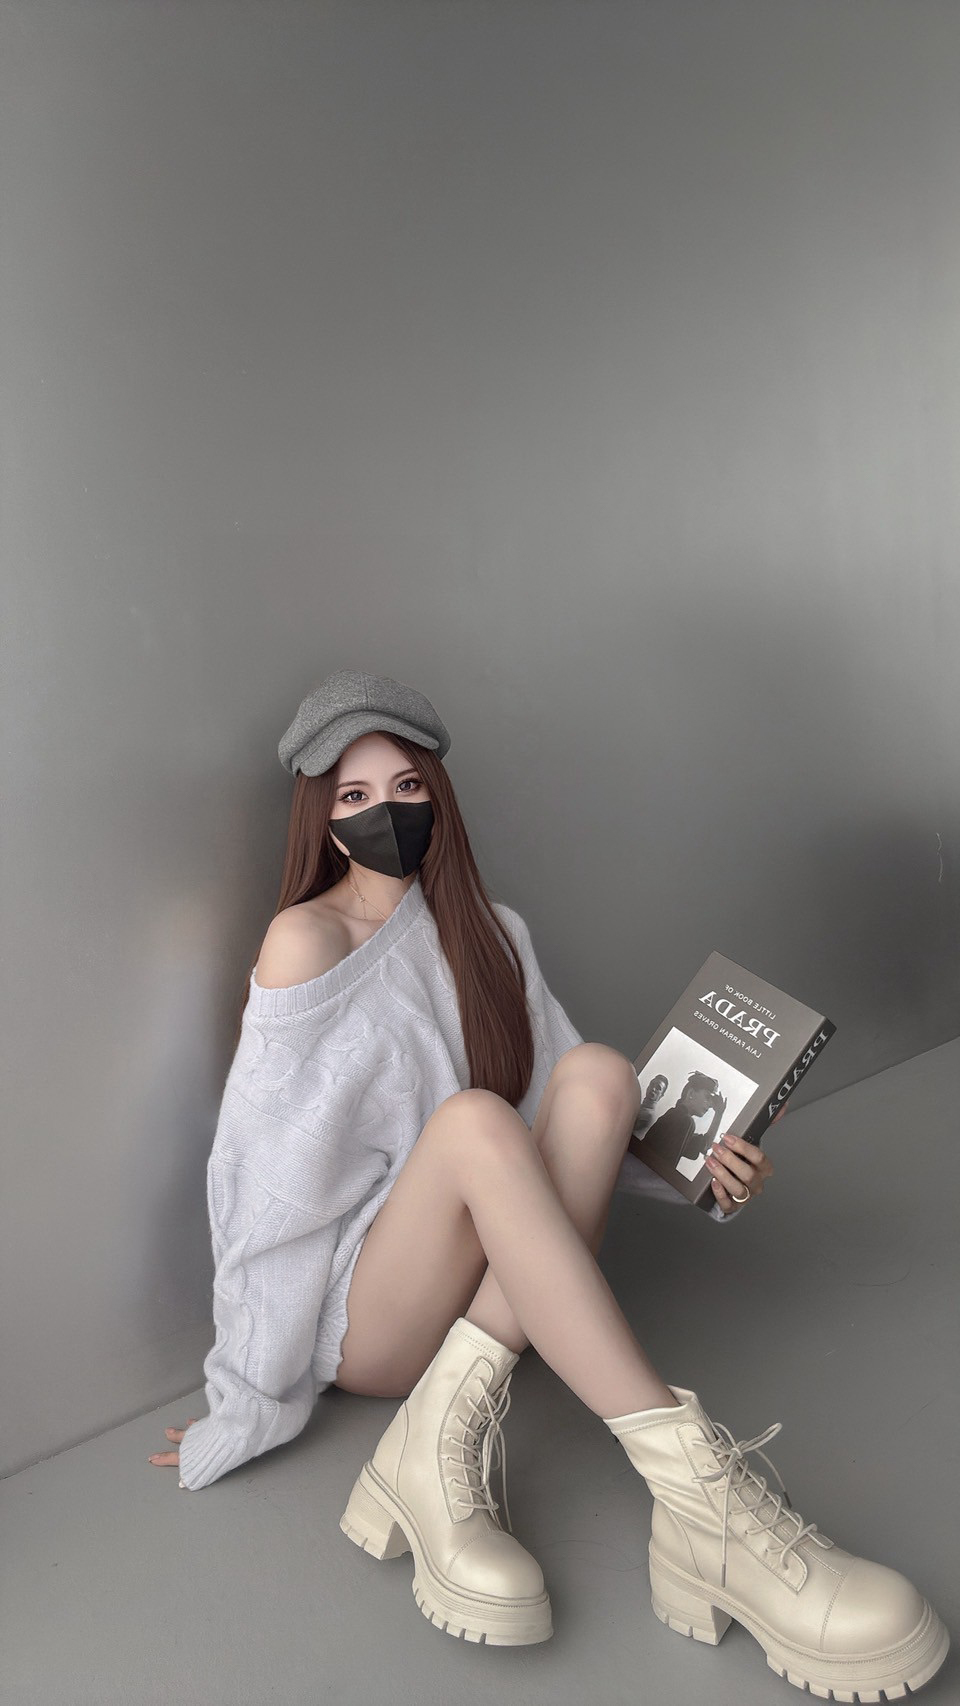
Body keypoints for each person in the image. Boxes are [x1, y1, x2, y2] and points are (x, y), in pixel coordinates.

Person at [149, 670, 949, 1695]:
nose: (386, 809)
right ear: (322, 816)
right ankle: (705, 1501)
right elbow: (261, 1183)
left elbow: (567, 1124)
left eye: (405, 785)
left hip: (479, 1272)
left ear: (438, 794)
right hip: (371, 1312)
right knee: (476, 1122)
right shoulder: (306, 941)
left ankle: (433, 1442)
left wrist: (704, 1169)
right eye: (353, 794)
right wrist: (247, 1391)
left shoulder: (492, 929)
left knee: (602, 1073)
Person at [641, 1071, 728, 1170]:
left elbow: (705, 1144)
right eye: (707, 1097)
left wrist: (719, 1113)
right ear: (691, 1093)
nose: (710, 1105)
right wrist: (719, 1114)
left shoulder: (676, 1115)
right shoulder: (685, 1121)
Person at [626, 1071, 669, 1154]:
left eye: (658, 1088)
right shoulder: (640, 1107)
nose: (653, 1089)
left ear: (661, 1095)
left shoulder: (649, 1115)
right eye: (652, 1084)